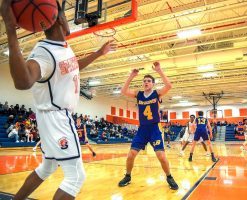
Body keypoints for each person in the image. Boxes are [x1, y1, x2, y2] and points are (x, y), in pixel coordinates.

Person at [1, 0, 116, 199]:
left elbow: (73, 66)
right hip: (58, 118)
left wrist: (98, 53)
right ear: (60, 19)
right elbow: (23, 81)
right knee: (76, 178)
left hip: (50, 119)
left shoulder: (62, 46)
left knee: (47, 167)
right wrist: (11, 29)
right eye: (66, 15)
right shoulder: (44, 53)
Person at [118, 62, 179, 190]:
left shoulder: (157, 94)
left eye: (148, 81)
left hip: (154, 129)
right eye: (144, 81)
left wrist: (159, 70)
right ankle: (128, 176)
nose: (146, 82)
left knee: (161, 156)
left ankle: (169, 177)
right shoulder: (138, 94)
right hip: (142, 130)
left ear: (152, 84)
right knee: (130, 155)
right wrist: (131, 76)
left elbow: (169, 85)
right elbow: (123, 91)